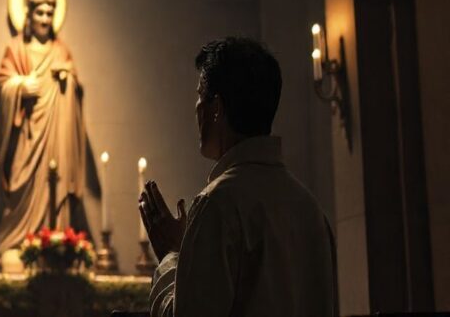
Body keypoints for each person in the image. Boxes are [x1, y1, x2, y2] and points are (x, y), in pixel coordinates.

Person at [139, 37, 337, 317]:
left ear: (216, 108)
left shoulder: (218, 204)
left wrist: (171, 255)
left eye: (200, 95)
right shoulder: (311, 209)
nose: (196, 107)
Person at [0, 0, 90, 250]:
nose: (46, 19)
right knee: (22, 184)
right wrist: (20, 86)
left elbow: (76, 91)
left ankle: (55, 240)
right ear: (28, 14)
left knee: (56, 183)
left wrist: (68, 80)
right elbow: (2, 86)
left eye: (50, 13)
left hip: (57, 137)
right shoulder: (16, 48)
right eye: (40, 13)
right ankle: (23, 241)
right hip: (27, 137)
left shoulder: (61, 50)